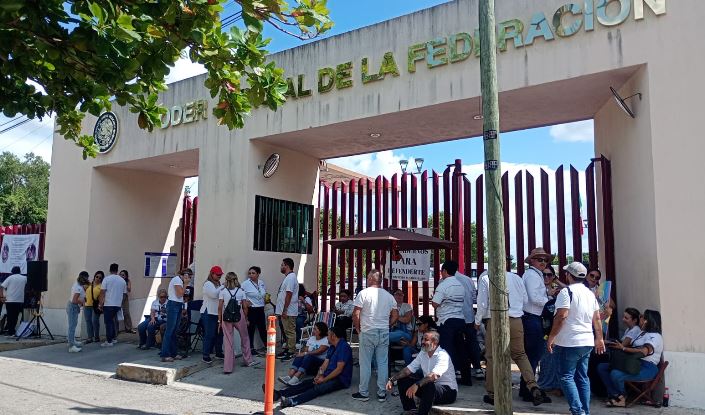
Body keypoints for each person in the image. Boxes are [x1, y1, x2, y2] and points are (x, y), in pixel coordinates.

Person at [475, 266, 546, 406]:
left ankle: (492, 394)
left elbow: (482, 304)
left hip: (495, 319)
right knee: (520, 354)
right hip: (516, 319)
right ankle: (533, 385)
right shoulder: (517, 278)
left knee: (491, 357)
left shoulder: (485, 278)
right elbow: (525, 300)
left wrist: (477, 321)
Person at [547, 262, 606, 415]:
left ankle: (578, 411)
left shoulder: (566, 292)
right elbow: (597, 319)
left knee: (566, 376)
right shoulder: (589, 294)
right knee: (582, 378)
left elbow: (561, 316)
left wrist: (551, 337)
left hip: (569, 341)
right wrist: (599, 338)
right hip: (586, 341)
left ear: (568, 275)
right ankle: (584, 411)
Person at [275, 325, 353, 408]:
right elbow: (324, 364)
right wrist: (318, 376)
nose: (327, 338)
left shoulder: (343, 347)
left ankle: (291, 401)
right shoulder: (332, 347)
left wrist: (324, 379)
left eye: (328, 335)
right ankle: (279, 394)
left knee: (318, 388)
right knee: (307, 383)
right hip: (328, 375)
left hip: (340, 379)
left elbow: (339, 369)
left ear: (333, 336)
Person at [598, 309, 663, 408]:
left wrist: (624, 348)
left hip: (647, 367)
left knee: (616, 374)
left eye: (641, 317)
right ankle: (616, 395)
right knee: (602, 367)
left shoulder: (655, 336)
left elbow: (644, 351)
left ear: (646, 321)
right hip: (633, 362)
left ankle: (621, 398)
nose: (639, 319)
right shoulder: (642, 333)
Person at [351, 269, 398, 402]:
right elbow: (395, 315)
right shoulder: (389, 296)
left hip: (367, 331)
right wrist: (387, 325)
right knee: (382, 363)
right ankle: (382, 393)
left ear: (371, 278)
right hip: (383, 331)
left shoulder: (363, 293)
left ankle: (364, 393)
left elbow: (356, 314)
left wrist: (358, 329)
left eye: (368, 278)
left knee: (365, 363)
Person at [387, 330, 457, 415]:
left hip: (448, 392)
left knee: (428, 383)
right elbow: (408, 370)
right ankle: (410, 410)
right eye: (422, 339)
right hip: (430, 390)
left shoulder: (443, 355)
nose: (422, 342)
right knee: (403, 380)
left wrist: (417, 384)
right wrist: (392, 379)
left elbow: (433, 376)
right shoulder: (423, 353)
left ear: (435, 342)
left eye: (426, 340)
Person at [521, 248, 555, 402]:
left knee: (532, 356)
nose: (543, 262)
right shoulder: (532, 276)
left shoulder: (534, 275)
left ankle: (527, 388)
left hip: (533, 317)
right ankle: (529, 388)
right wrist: (551, 301)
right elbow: (534, 298)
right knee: (533, 356)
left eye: (545, 260)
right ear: (532, 261)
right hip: (532, 318)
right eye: (540, 259)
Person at [432, 260, 472, 386]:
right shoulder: (460, 285)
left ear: (444, 271)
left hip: (446, 321)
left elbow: (435, 303)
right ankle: (466, 378)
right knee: (461, 349)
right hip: (460, 320)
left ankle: (448, 377)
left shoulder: (443, 285)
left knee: (446, 350)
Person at [448, 260, 484, 381]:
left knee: (455, 343)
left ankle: (457, 369)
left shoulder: (445, 281)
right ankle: (478, 368)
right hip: (469, 317)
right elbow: (474, 297)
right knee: (472, 342)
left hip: (454, 317)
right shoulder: (468, 280)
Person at [218, 272, 257, 373]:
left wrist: (219, 320)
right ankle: (248, 360)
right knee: (245, 337)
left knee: (228, 341)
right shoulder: (241, 291)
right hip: (239, 315)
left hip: (226, 316)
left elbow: (220, 307)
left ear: (226, 280)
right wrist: (246, 318)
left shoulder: (223, 291)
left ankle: (228, 367)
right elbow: (245, 307)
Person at [537, 265, 563, 395]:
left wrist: (556, 281)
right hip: (541, 327)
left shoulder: (557, 289)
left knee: (553, 357)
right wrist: (548, 294)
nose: (546, 277)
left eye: (549, 275)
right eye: (544, 274)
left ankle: (555, 385)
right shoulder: (539, 289)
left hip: (555, 329)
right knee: (545, 358)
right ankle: (545, 384)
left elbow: (571, 290)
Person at [279, 321, 329, 386]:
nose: (313, 330)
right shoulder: (311, 338)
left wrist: (305, 353)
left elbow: (319, 351)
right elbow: (306, 350)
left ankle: (297, 377)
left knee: (308, 356)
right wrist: (302, 354)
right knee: (300, 356)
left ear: (320, 331)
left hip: (320, 362)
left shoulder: (326, 340)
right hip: (309, 361)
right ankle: (289, 376)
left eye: (315, 329)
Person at [160, 268, 192, 362]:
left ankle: (174, 353)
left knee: (175, 330)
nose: (189, 279)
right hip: (173, 304)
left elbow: (183, 296)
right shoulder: (177, 280)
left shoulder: (181, 281)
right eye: (189, 277)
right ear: (185, 275)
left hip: (178, 304)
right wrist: (185, 284)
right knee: (170, 330)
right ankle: (165, 354)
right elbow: (179, 294)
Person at [275, 258, 299, 361]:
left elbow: (289, 294)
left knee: (289, 331)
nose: (281, 267)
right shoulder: (288, 277)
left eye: (282, 265)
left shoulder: (291, 278)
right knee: (286, 331)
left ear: (287, 266)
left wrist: (285, 310)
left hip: (288, 311)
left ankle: (291, 351)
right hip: (284, 311)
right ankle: (288, 349)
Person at [200, 265, 224, 363]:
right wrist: (223, 286)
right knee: (209, 334)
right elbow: (214, 295)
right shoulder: (208, 284)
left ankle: (218, 352)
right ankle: (205, 355)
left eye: (220, 274)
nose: (219, 276)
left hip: (217, 312)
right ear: (212, 274)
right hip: (208, 312)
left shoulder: (218, 284)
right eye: (217, 274)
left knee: (219, 334)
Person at [99, 263, 126, 347]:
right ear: (117, 270)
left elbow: (102, 292)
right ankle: (114, 338)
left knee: (108, 322)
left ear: (110, 270)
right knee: (114, 321)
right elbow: (124, 294)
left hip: (108, 304)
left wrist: (100, 304)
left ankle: (109, 341)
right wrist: (121, 303)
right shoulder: (122, 280)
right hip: (117, 304)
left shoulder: (106, 279)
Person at [243, 266, 267, 355]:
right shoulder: (245, 284)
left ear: (258, 274)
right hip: (252, 309)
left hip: (260, 308)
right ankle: (251, 348)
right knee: (251, 329)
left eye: (253, 273)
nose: (251, 275)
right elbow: (241, 293)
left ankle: (267, 346)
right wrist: (245, 301)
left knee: (262, 328)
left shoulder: (261, 283)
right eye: (249, 273)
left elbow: (263, 293)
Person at [0, 266, 27, 336]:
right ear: (20, 271)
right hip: (19, 300)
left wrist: (1, 297)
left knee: (9, 316)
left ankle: (10, 331)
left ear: (12, 271)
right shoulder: (24, 278)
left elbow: (1, 286)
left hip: (9, 300)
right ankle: (12, 330)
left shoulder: (10, 277)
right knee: (16, 316)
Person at [67, 271, 90, 352]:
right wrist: (83, 302)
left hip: (73, 307)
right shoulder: (78, 287)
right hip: (73, 306)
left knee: (73, 325)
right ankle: (71, 346)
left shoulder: (78, 284)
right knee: (72, 326)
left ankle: (72, 341)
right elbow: (74, 300)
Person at [84, 271, 103, 343]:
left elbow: (102, 297)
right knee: (88, 321)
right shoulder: (89, 285)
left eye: (100, 278)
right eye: (97, 276)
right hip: (87, 305)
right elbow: (85, 293)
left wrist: (100, 305)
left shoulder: (101, 286)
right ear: (94, 277)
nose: (98, 278)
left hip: (95, 306)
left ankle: (97, 337)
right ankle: (90, 337)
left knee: (95, 321)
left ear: (101, 279)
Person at [118, 269, 135, 333]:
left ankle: (129, 328)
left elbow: (129, 290)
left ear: (126, 276)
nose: (121, 276)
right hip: (117, 296)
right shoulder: (117, 281)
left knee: (126, 312)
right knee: (116, 312)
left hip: (124, 296)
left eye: (123, 275)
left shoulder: (127, 281)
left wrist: (125, 283)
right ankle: (116, 329)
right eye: (120, 274)